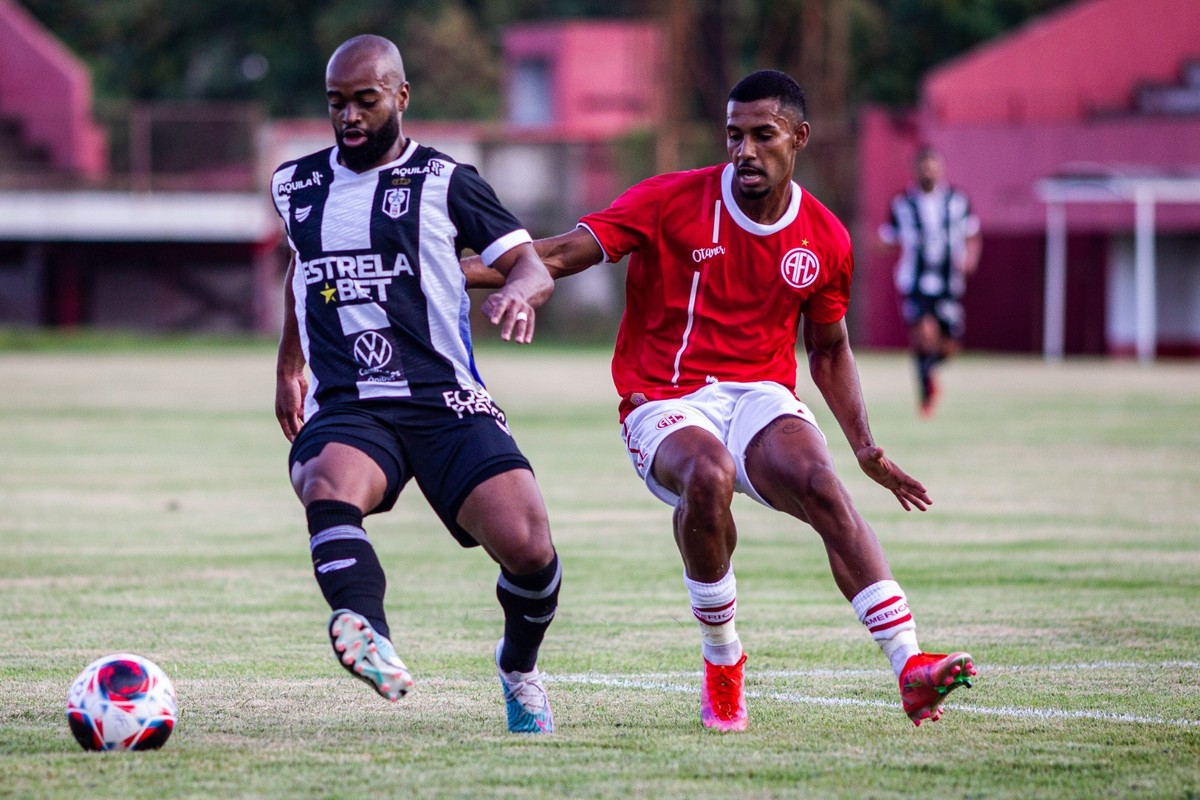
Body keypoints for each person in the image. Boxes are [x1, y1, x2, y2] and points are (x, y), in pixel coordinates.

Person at [464, 70, 975, 731]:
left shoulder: (825, 238)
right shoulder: (670, 200)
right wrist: (445, 269)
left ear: (799, 138)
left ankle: (909, 666)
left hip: (759, 395)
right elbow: (558, 253)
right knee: (709, 474)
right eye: (734, 136)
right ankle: (723, 659)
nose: (745, 151)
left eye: (764, 136)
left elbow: (827, 350)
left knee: (823, 484)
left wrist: (865, 446)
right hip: (663, 398)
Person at [271, 34, 560, 734]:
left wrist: (521, 293)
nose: (349, 117)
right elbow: (302, 270)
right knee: (326, 483)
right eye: (337, 103)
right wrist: (289, 362)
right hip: (352, 403)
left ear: (401, 97)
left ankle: (518, 668)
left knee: (529, 548)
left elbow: (530, 263)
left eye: (365, 101)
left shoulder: (447, 180)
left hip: (446, 400)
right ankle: (366, 632)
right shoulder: (297, 184)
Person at [878, 145, 982, 416]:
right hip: (915, 282)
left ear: (941, 168)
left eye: (932, 165)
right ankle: (925, 394)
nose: (928, 170)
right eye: (923, 166)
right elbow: (887, 238)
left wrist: (969, 258)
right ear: (915, 170)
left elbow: (972, 235)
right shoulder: (902, 204)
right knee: (924, 336)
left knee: (948, 347)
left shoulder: (957, 200)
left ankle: (927, 373)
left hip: (948, 283)